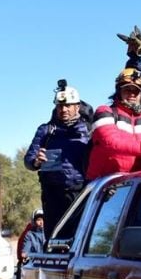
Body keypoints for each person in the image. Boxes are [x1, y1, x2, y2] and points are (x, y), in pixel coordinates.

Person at [24, 79, 91, 240]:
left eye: (68, 105)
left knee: (80, 239)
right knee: (54, 239)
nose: (64, 109)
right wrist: (36, 162)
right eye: (60, 106)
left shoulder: (89, 130)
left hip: (82, 192)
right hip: (52, 194)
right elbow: (28, 160)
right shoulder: (46, 130)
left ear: (77, 107)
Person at [86, 67, 141, 180]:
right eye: (127, 90)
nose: (132, 94)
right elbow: (111, 143)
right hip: (105, 183)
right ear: (118, 92)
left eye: (136, 91)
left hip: (137, 183)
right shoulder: (105, 111)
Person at [16, 209, 44, 279]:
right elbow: (25, 252)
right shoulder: (30, 235)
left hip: (47, 266)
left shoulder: (52, 233)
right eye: (39, 220)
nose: (41, 222)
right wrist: (26, 254)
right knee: (21, 268)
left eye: (43, 219)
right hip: (35, 265)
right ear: (34, 221)